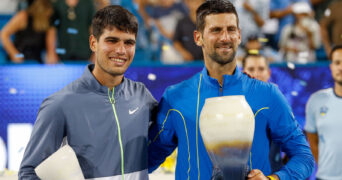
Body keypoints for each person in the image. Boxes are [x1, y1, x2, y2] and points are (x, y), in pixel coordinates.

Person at [148, 1, 314, 180]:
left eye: (231, 29)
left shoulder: (268, 94)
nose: (225, 37)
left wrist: (273, 179)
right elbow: (145, 159)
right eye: (216, 30)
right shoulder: (175, 98)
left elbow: (303, 156)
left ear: (239, 35)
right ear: (198, 37)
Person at [19, 5, 157, 179]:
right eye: (112, 40)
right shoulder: (60, 103)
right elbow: (29, 173)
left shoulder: (141, 96)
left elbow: (163, 141)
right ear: (93, 43)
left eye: (128, 42)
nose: (121, 50)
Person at [305, 44, 342, 180]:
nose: (341, 67)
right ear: (331, 67)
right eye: (337, 62)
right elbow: (312, 139)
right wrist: (325, 166)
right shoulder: (316, 100)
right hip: (325, 177)